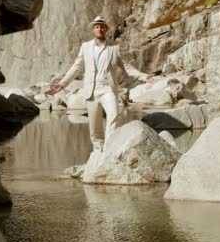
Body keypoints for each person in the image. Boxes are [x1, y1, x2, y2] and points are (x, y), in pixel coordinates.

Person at [46, 16, 154, 152]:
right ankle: (98, 151)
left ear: (106, 29)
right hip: (91, 91)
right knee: (94, 127)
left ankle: (109, 148)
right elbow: (76, 67)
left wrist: (144, 76)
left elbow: (126, 67)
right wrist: (61, 84)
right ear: (93, 30)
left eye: (102, 27)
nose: (100, 29)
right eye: (97, 27)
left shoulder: (114, 48)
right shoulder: (85, 47)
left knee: (114, 115)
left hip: (108, 89)